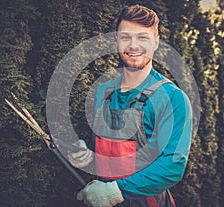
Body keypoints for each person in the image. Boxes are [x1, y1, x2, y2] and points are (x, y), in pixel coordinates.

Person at [68, 4, 192, 207]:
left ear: (156, 42)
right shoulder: (103, 92)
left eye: (142, 37)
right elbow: (108, 148)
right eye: (126, 37)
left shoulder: (172, 98)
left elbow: (173, 165)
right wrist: (88, 155)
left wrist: (115, 192)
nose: (133, 45)